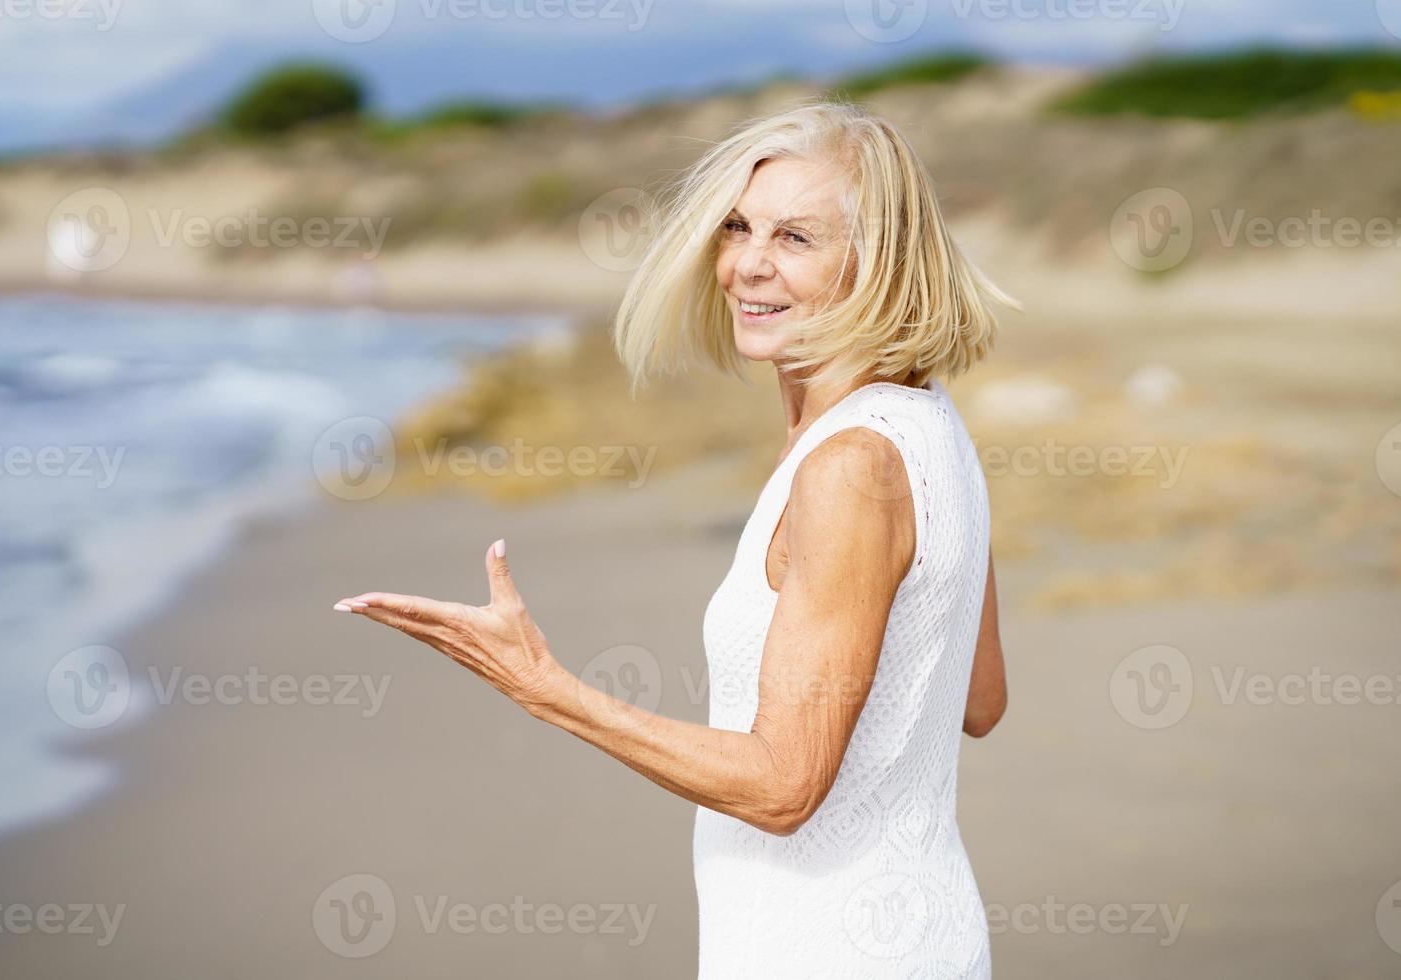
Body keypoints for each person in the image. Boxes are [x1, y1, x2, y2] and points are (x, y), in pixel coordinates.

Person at [333, 99, 1016, 978]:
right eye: (737, 228)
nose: (746, 266)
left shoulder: (849, 467)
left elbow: (782, 786)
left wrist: (547, 689)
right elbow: (980, 697)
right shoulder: (931, 421)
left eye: (796, 239)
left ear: (877, 262)